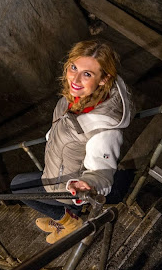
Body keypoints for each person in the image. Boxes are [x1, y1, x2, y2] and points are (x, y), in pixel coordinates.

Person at [11, 40, 132, 244]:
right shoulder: (77, 97)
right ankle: (66, 213)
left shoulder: (104, 129)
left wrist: (88, 184)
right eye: (73, 67)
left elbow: (102, 174)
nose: (74, 79)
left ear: (103, 79)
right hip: (59, 167)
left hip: (68, 186)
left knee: (18, 188)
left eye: (87, 74)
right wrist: (52, 136)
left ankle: (67, 221)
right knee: (25, 185)